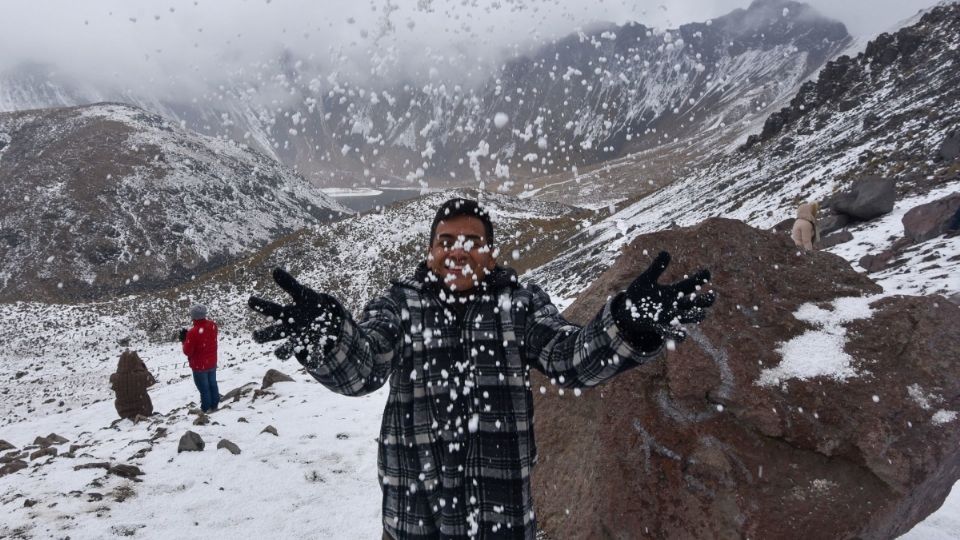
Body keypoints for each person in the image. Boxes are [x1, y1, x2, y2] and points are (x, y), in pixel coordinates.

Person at [248, 198, 715, 539]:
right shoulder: (400, 303)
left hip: (501, 514)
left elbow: (569, 359)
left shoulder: (519, 304)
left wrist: (627, 326)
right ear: (430, 251)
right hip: (416, 514)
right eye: (445, 241)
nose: (457, 251)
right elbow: (363, 369)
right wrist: (331, 340)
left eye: (472, 242)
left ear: (490, 254)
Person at [181, 304, 220, 413]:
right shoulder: (213, 325)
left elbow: (187, 351)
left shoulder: (193, 332)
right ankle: (215, 405)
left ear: (193, 316)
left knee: (204, 388)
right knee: (213, 384)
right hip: (211, 362)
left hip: (199, 365)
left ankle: (206, 409)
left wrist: (184, 340)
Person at [109, 349, 157, 419]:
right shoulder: (141, 376)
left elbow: (112, 386)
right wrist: (142, 367)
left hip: (123, 413)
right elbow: (151, 381)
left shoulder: (114, 378)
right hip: (143, 410)